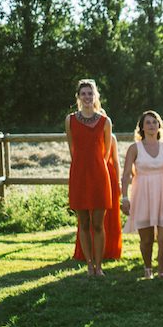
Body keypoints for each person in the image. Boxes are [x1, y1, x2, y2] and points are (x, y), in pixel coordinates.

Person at [121, 111, 163, 280]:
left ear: (159, 125)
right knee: (146, 240)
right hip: (142, 194)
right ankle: (148, 269)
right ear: (142, 127)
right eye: (148, 122)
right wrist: (125, 198)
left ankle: (162, 271)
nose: (152, 125)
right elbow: (126, 175)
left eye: (155, 122)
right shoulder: (134, 148)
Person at [66, 79, 113, 277]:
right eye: (83, 93)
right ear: (78, 97)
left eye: (90, 93)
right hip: (79, 175)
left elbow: (106, 153)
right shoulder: (70, 120)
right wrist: (82, 166)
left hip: (99, 175)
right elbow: (72, 149)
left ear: (95, 96)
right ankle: (89, 265)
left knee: (98, 224)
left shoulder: (105, 121)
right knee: (83, 223)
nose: (87, 97)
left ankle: (99, 267)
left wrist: (95, 166)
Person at [74, 134, 122, 263]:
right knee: (87, 218)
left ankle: (109, 249)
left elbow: (116, 161)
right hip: (90, 174)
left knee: (109, 216)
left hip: (108, 175)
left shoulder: (112, 138)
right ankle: (89, 252)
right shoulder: (87, 136)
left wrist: (118, 182)